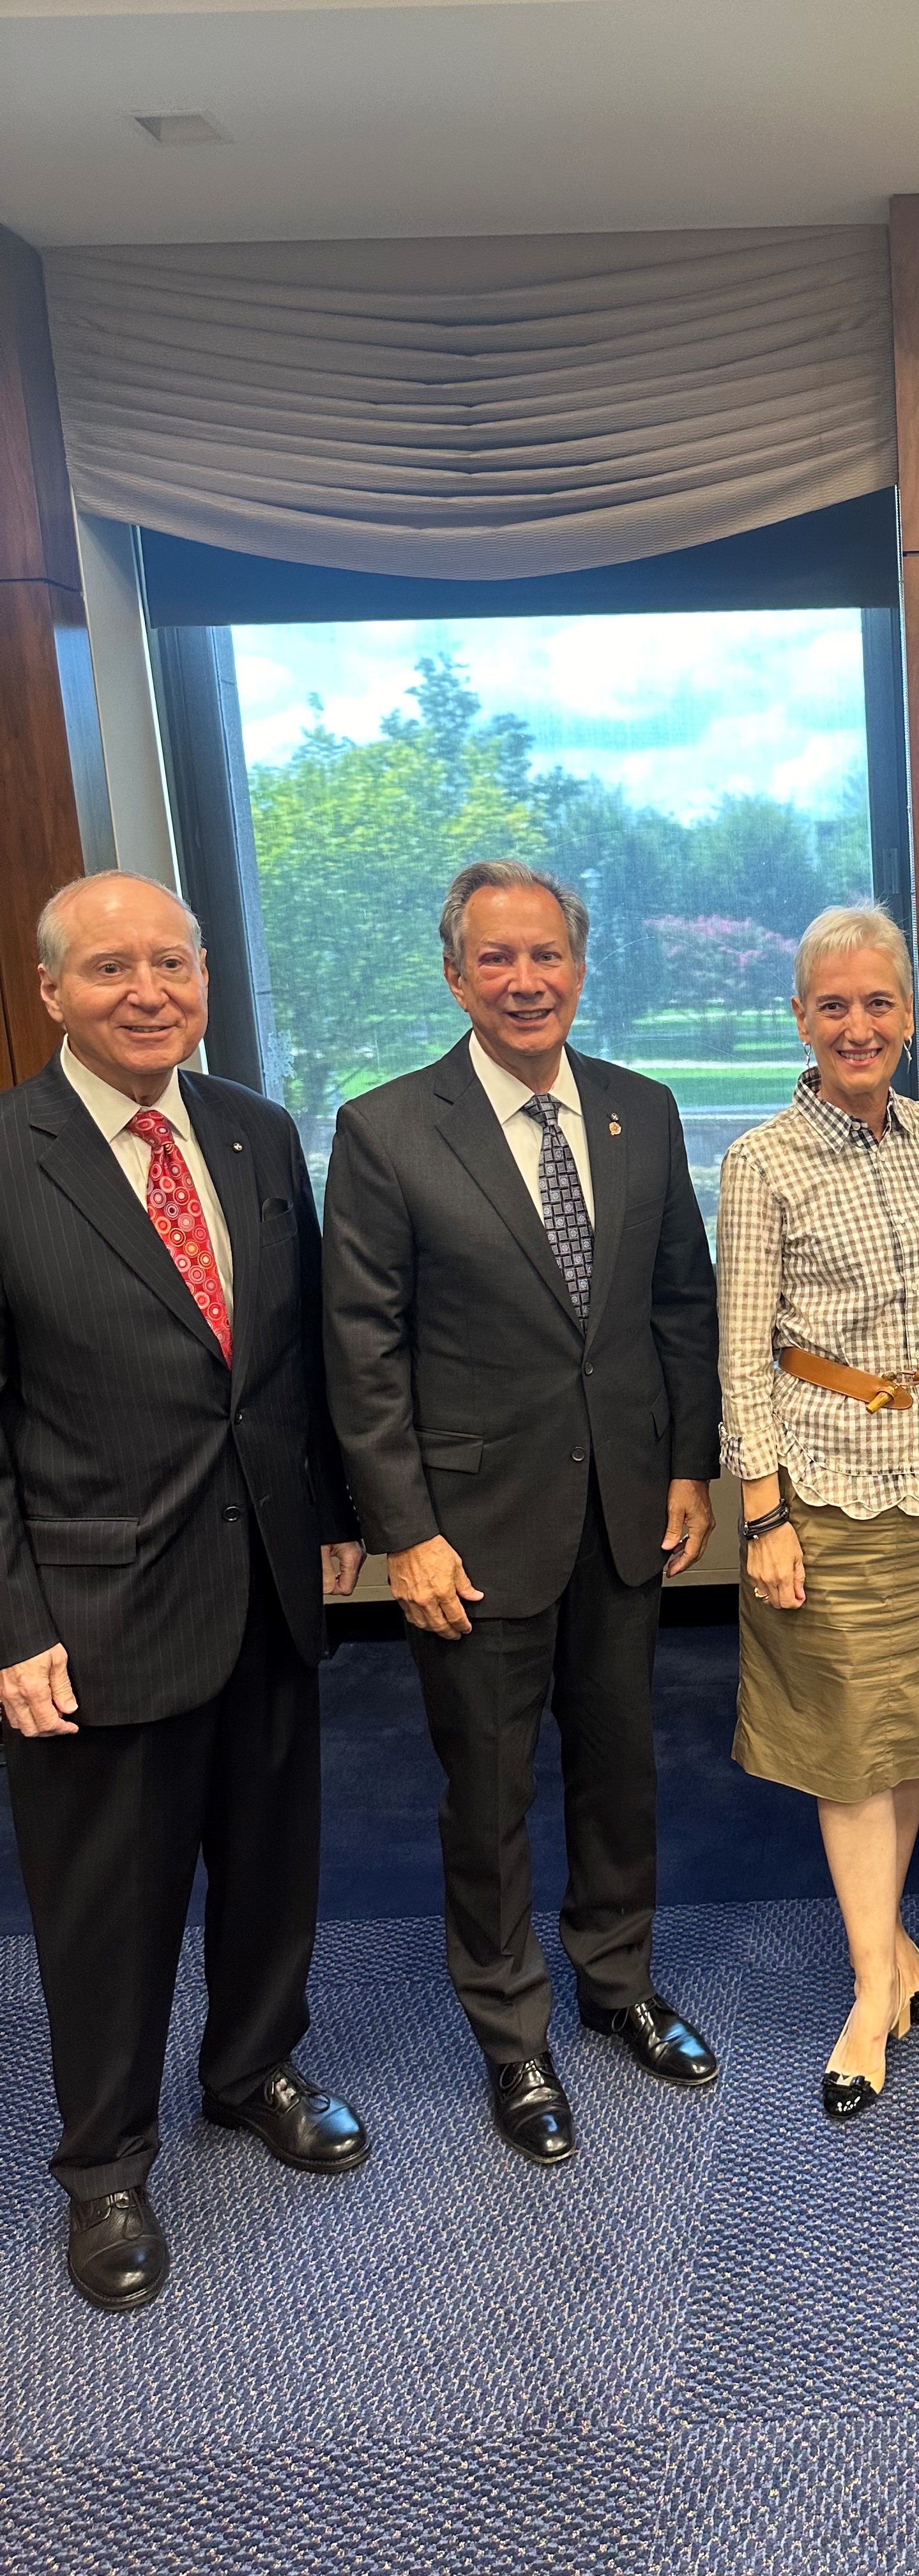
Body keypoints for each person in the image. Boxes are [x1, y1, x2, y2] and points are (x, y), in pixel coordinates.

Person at [0, 873, 367, 2314]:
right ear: (50, 994)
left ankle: (252, 2069)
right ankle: (102, 2166)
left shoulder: (255, 1132)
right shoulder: (10, 1155)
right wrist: (11, 1617)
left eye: (173, 963)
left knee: (274, 1861)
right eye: (110, 970)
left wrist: (333, 1519)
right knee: (106, 1902)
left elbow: (292, 1358)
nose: (147, 991)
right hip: (89, 1606)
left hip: (267, 1577)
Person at [323, 859, 721, 2168]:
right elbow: (361, 1351)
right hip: (471, 1534)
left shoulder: (641, 1111)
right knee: (487, 1795)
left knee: (622, 1767)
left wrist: (683, 1468)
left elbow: (678, 1302)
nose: (523, 980)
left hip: (623, 1508)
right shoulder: (387, 1130)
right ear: (454, 977)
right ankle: (514, 2037)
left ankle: (616, 1984)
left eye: (544, 955)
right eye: (494, 959)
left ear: (580, 967)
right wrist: (406, 1533)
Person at [718, 905, 919, 2121]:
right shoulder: (761, 1160)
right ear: (800, 1018)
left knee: (918, 1720)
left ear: (908, 1015)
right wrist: (762, 1516)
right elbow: (741, 1358)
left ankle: (894, 1949)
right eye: (832, 1005)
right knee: (847, 1739)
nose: (858, 1025)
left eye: (878, 1003)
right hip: (825, 1484)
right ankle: (871, 1979)